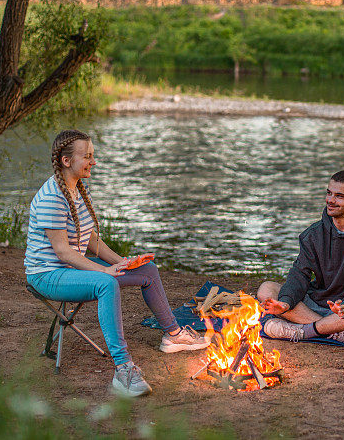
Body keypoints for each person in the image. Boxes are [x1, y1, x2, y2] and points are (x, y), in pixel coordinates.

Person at [24, 130, 210, 398]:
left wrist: (124, 263)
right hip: (48, 275)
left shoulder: (77, 188)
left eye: (93, 155)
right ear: (66, 161)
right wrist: (104, 271)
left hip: (72, 269)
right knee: (107, 284)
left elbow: (90, 240)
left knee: (147, 270)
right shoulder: (53, 196)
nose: (93, 161)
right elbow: (63, 252)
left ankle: (173, 335)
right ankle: (123, 370)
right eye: (86, 156)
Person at [257, 170, 344, 345]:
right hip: (317, 305)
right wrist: (286, 303)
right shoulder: (313, 234)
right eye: (329, 193)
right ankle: (335, 331)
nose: (331, 200)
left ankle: (305, 331)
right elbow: (299, 274)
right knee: (266, 289)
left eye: (339, 196)